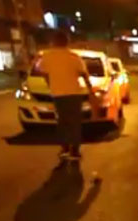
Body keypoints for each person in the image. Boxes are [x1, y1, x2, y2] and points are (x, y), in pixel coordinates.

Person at [37, 31, 94, 160]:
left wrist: (50, 82)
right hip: (74, 93)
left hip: (58, 94)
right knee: (74, 122)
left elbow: (42, 71)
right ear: (67, 42)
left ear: (54, 42)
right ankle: (75, 150)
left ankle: (65, 148)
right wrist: (90, 90)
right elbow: (84, 74)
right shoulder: (73, 57)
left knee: (62, 122)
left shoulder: (47, 57)